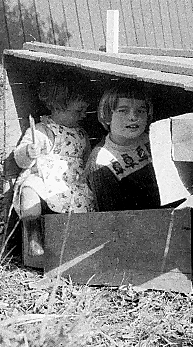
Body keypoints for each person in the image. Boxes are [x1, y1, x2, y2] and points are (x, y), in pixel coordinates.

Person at [10, 76, 96, 257]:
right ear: (57, 107)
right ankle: (33, 234)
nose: (83, 115)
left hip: (72, 183)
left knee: (86, 201)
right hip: (45, 179)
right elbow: (19, 158)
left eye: (85, 110)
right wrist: (28, 152)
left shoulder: (82, 133)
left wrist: (89, 172)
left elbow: (88, 158)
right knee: (30, 189)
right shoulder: (43, 130)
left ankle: (76, 242)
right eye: (79, 110)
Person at [85, 81, 161, 211]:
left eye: (140, 110)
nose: (133, 117)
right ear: (107, 116)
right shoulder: (102, 164)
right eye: (123, 111)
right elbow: (114, 218)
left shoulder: (153, 140)